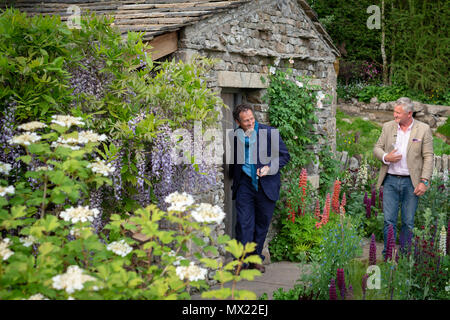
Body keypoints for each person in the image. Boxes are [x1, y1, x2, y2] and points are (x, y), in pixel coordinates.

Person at [228, 103, 290, 273]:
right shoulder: (235, 136)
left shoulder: (269, 133)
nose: (250, 123)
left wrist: (269, 167)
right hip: (245, 185)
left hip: (266, 185)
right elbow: (235, 161)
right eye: (246, 121)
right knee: (243, 223)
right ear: (237, 122)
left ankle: (256, 258)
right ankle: (241, 261)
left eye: (251, 119)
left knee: (261, 224)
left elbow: (285, 156)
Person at [373, 97, 434, 257]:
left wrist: (424, 181)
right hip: (391, 180)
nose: (395, 115)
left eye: (398, 112)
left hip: (411, 183)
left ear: (409, 113)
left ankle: (405, 258)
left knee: (408, 222)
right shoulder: (388, 127)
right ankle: (387, 256)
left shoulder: (423, 129)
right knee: (389, 221)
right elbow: (377, 148)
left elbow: (428, 156)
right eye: (394, 111)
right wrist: (386, 157)